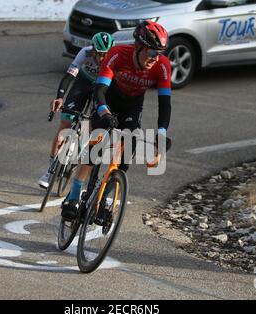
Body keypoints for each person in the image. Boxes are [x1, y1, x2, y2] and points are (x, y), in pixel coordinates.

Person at [61, 20, 173, 219]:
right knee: (97, 143)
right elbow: (99, 90)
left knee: (126, 151)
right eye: (151, 52)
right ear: (138, 47)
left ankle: (107, 197)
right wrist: (104, 112)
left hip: (132, 105)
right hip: (108, 99)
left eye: (159, 53)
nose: (155, 58)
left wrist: (161, 133)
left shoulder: (162, 66)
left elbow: (165, 103)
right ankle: (75, 193)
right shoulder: (117, 54)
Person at [38, 32, 115, 188]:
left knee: (95, 127)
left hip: (101, 88)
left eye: (105, 55)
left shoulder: (114, 59)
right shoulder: (84, 53)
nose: (101, 59)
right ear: (92, 49)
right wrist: (60, 98)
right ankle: (50, 170)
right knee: (65, 125)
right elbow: (69, 77)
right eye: (99, 54)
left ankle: (83, 156)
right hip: (82, 84)